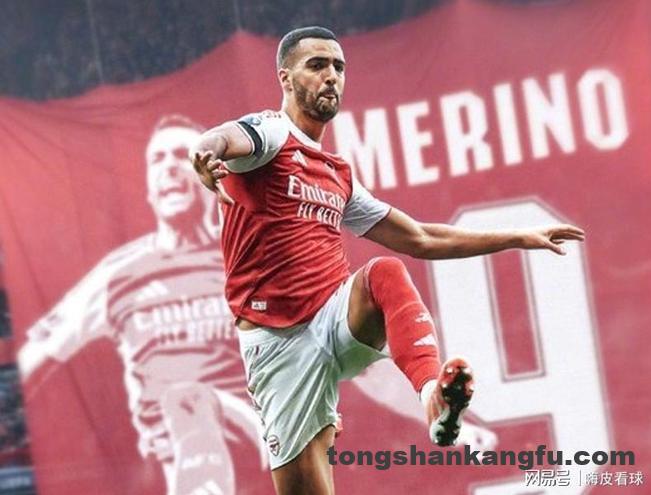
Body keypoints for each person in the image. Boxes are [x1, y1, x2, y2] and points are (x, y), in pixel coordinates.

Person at [190, 26, 585, 495]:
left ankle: (433, 396)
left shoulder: (337, 174)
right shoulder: (271, 134)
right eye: (317, 65)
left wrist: (517, 236)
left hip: (334, 319)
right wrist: (205, 156)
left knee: (385, 273)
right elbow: (220, 139)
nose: (331, 76)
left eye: (339, 67)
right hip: (278, 345)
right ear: (286, 78)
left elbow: (419, 237)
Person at [18, 115, 268, 495]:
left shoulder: (246, 254)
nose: (169, 166)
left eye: (182, 155)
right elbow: (34, 357)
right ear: (150, 188)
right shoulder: (118, 274)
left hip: (251, 438)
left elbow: (332, 331)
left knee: (189, 397)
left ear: (210, 174)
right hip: (170, 461)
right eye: (158, 159)